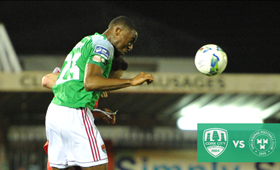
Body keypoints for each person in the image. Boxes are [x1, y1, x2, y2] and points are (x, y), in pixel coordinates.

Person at [45, 16, 154, 170]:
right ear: (117, 31)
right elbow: (90, 82)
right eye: (130, 41)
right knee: (99, 166)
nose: (130, 47)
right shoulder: (104, 45)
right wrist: (131, 81)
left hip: (55, 112)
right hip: (74, 114)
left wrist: (97, 110)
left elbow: (74, 84)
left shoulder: (87, 41)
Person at [43, 56, 128, 170]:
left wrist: (100, 112)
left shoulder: (94, 89)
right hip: (67, 139)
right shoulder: (80, 77)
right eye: (114, 78)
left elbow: (78, 109)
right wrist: (88, 84)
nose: (115, 84)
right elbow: (47, 79)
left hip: (71, 140)